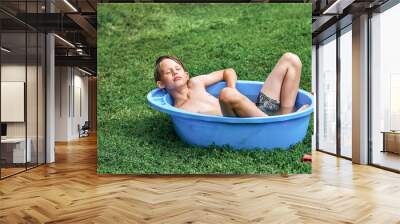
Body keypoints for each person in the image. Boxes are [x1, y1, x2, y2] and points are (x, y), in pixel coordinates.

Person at [153, 53, 307, 117]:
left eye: (178, 69)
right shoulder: (180, 111)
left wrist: (232, 88)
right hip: (238, 123)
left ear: (186, 75)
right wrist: (229, 93)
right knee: (226, 94)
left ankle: (286, 116)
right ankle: (275, 126)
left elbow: (229, 71)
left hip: (258, 109)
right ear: (161, 84)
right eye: (168, 72)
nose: (175, 72)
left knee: (290, 59)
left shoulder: (196, 83)